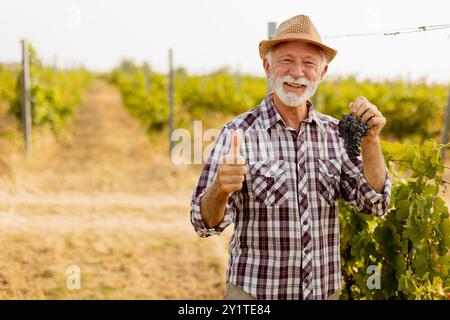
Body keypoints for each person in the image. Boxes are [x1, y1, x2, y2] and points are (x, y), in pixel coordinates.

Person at [190, 14, 391, 300]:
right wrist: (220, 189)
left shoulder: (336, 134)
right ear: (267, 67)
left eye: (309, 63)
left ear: (321, 73)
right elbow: (203, 223)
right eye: (286, 60)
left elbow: (376, 203)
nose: (297, 72)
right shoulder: (237, 133)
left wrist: (371, 142)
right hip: (255, 295)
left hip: (324, 293)